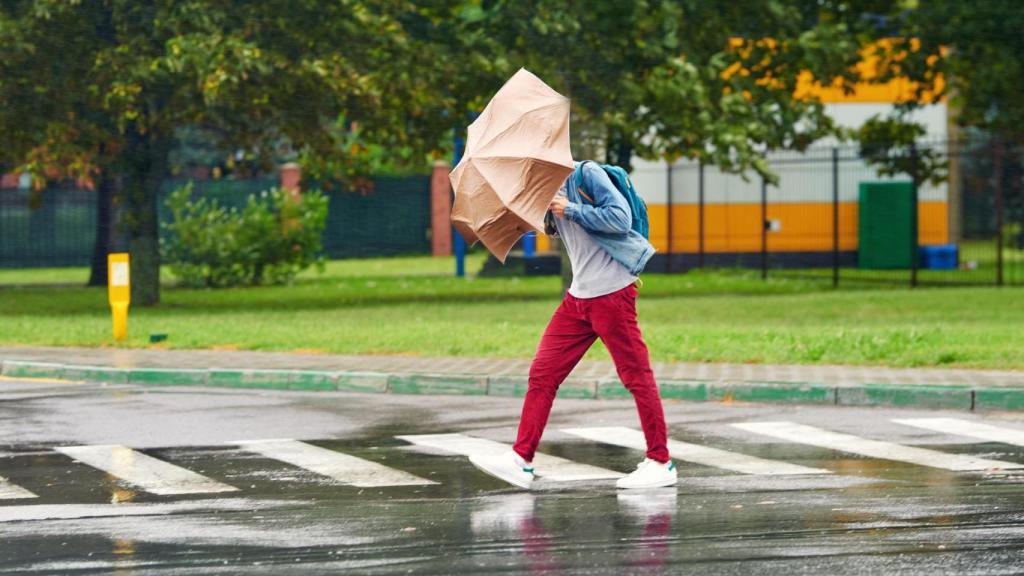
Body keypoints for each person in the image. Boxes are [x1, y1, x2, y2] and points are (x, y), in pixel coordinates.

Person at [469, 161, 676, 490]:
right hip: (578, 299)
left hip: (612, 294)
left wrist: (572, 208)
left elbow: (619, 218)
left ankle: (660, 462)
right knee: (542, 374)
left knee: (636, 376)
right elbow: (557, 229)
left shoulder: (585, 174)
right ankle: (520, 460)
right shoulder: (543, 188)